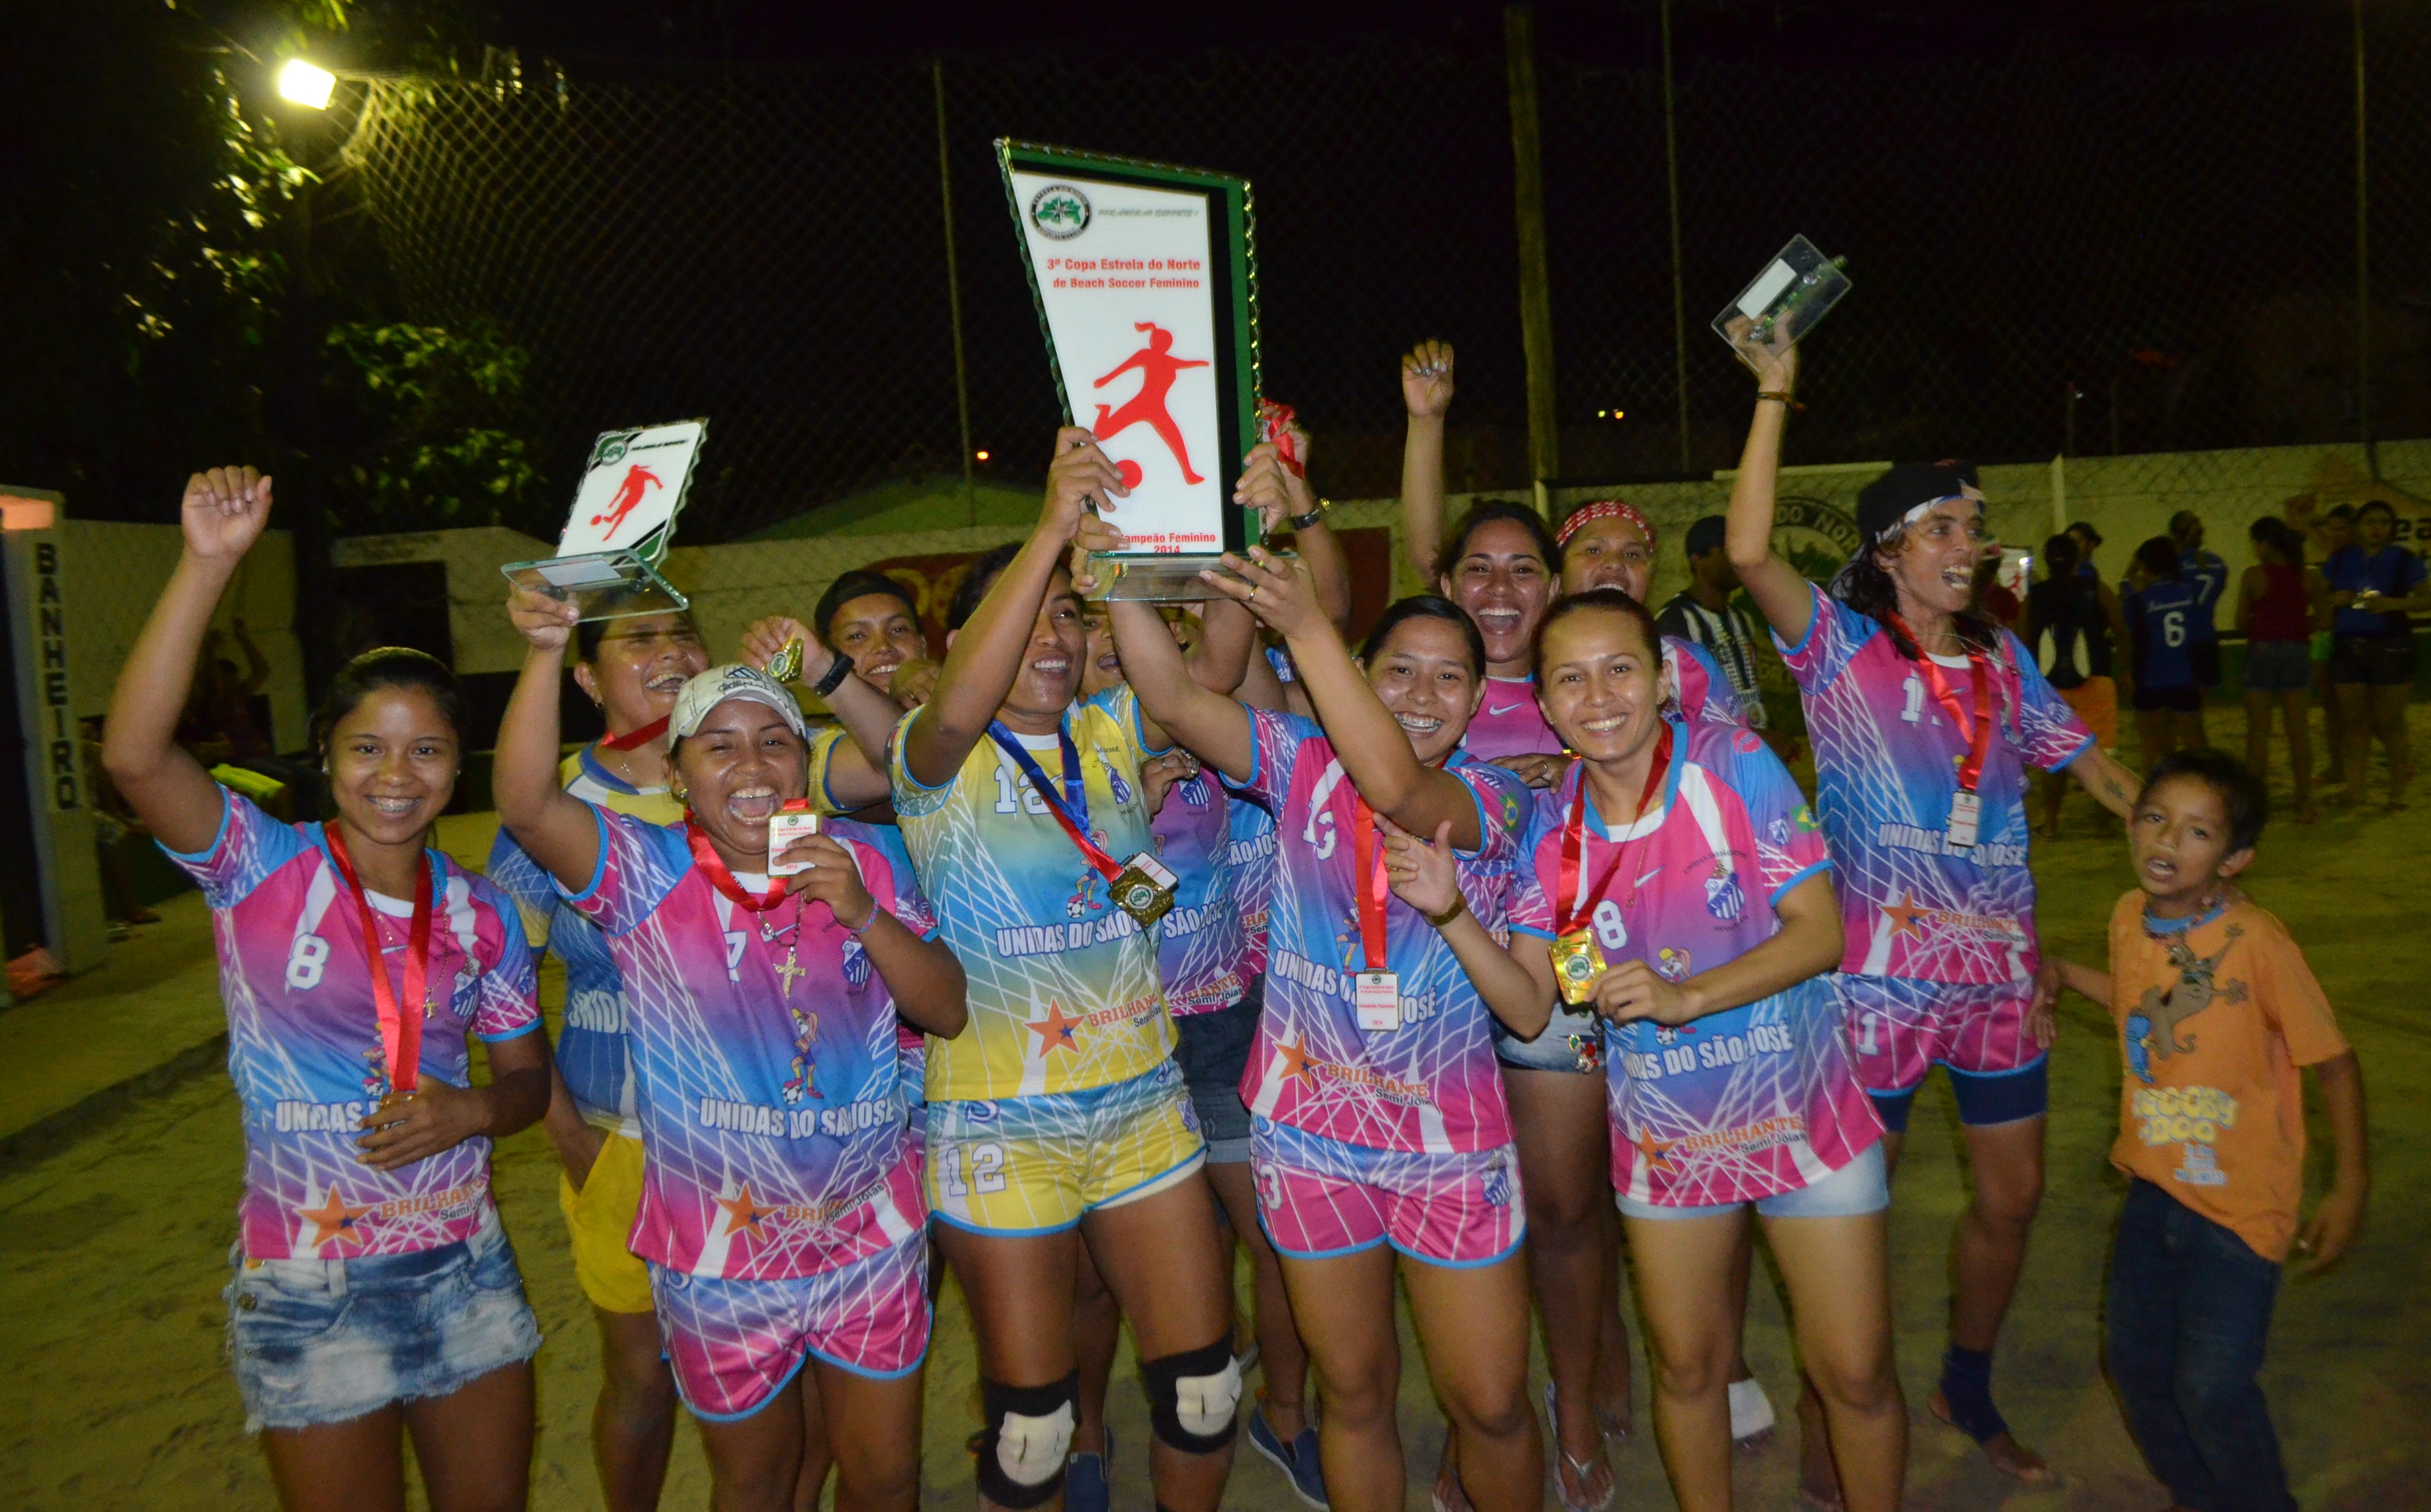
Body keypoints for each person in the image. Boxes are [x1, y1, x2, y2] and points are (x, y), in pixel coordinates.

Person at [1723, 351, 2143, 1491]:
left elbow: (2091, 768)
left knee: (2013, 1197)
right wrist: (1774, 392)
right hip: (1874, 986)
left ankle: (1966, 1376)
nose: (1972, 542)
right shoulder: (1839, 649)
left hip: (2000, 986)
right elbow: (1749, 548)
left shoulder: (2005, 660)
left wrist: (2178, 831)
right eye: (1946, 524)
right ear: (1888, 549)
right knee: (1849, 1218)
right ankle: (1834, 1395)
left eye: (1978, 524)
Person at [103, 466, 549, 1512]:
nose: (397, 773)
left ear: (457, 767)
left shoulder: (482, 911)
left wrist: (475, 1106)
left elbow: (528, 1080)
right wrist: (208, 563)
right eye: (367, 747)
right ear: (328, 757)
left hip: (465, 1266)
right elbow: (132, 756)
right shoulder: (257, 864)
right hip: (310, 1284)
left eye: (427, 748)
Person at [495, 608, 965, 1511]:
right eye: (717, 747)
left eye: (774, 741)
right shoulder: (642, 868)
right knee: (752, 1480)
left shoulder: (868, 854)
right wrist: (547, 648)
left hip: (868, 1232)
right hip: (716, 1250)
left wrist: (863, 908)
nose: (752, 766)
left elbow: (944, 1007)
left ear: (803, 760)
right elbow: (525, 804)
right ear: (677, 775)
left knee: (884, 1473)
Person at [1110, 554, 1546, 1512]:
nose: (1422, 694)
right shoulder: (1301, 761)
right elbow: (1177, 697)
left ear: (1478, 703)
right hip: (1309, 1141)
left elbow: (1398, 790)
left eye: (1449, 676)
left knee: (1494, 1404)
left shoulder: (1498, 801)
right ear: (1362, 671)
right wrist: (1111, 569)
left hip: (1445, 1148)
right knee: (1353, 1392)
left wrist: (1305, 626)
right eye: (1397, 670)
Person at [1487, 588, 1903, 1512]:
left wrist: (1687, 996)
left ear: (1663, 679)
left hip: (1804, 1118)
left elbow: (1821, 930)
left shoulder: (1733, 765)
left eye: (1620, 668)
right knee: (1687, 1370)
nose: (1599, 695)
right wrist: (1444, 906)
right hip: (1672, 1141)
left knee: (1858, 1373)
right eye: (1571, 677)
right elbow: (1527, 1002)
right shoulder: (1552, 837)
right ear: (1546, 706)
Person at [891, 429, 1239, 1512]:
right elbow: (956, 702)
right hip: (1002, 1116)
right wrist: (1049, 527)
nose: (1053, 631)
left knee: (1202, 1390)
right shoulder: (930, 752)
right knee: (1032, 1428)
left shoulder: (1112, 725)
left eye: (1067, 612)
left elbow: (1216, 668)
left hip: (1143, 1100)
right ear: (970, 635)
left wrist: (1149, 552)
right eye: (1030, 609)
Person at [2034, 750, 2367, 1512]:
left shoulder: (2258, 942)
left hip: (2241, 1209)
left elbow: (2336, 1063)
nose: (2166, 841)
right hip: (2153, 1191)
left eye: (2197, 832)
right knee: (2135, 1362)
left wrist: (2347, 1187)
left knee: (2212, 1385)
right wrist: (2059, 969)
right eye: (2154, 817)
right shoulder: (2127, 916)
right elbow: (2136, 1003)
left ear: (2235, 857)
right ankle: (2196, 1493)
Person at [484, 600, 706, 1512]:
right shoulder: (553, 810)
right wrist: (563, 1127)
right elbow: (498, 978)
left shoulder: (755, 773)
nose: (670, 653)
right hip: (620, 1138)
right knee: (643, 1379)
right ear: (586, 677)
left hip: (763, 1139)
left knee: (777, 1367)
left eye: (683, 632)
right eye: (639, 639)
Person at [2322, 499, 2429, 809]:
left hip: (2391, 644)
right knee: (2354, 723)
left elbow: (2427, 599)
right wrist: (2335, 598)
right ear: (2358, 527)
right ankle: (2355, 789)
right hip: (2349, 644)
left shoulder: (2404, 559)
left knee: (2389, 722)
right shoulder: (2341, 558)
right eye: (2370, 521)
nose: (2377, 527)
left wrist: (2392, 604)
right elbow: (2319, 595)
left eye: (2383, 521)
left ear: (2392, 528)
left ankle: (2397, 793)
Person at [2025, 532, 2130, 836]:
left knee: (2055, 756)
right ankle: (2104, 823)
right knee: (2103, 755)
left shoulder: (2035, 596)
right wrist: (2126, 672)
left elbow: (2022, 643)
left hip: (2051, 687)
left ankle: (2054, 824)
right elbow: (2122, 632)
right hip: (2096, 680)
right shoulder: (2096, 589)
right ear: (2077, 560)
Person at [2234, 518, 2326, 824]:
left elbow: (2240, 623)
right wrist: (2296, 627)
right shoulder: (2310, 577)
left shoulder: (2254, 576)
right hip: (2297, 651)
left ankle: (2254, 806)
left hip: (2261, 652)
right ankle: (2304, 803)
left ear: (2265, 544)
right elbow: (2325, 620)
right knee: (2298, 730)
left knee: (2259, 732)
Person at [1655, 515, 1770, 735]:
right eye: (1726, 551)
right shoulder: (1674, 621)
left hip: (1752, 739)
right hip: (1709, 745)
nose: (1736, 560)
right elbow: (1678, 707)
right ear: (1698, 560)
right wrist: (1755, 736)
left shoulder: (1743, 619)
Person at [2123, 537, 2208, 771]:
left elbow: (2132, 636)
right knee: (2196, 745)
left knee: (2152, 749)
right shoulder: (2187, 592)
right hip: (2183, 676)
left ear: (2145, 564)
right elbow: (2197, 636)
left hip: (2151, 679)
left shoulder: (2138, 599)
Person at [2171, 508, 2229, 721]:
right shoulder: (2217, 563)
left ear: (2174, 536)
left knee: (2177, 700)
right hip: (2206, 635)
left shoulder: (2172, 566)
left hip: (2178, 639)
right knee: (2200, 700)